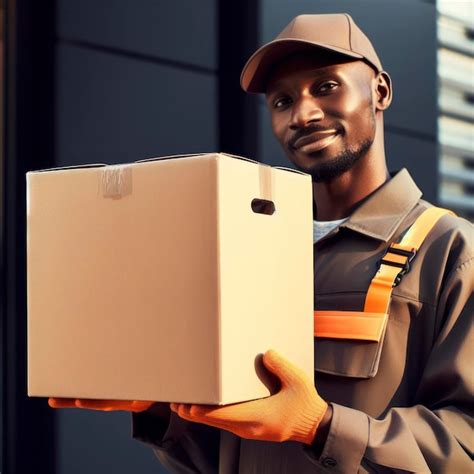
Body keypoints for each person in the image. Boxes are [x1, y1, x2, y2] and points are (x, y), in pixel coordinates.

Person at [49, 13, 473, 473]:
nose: (303, 114)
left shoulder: (449, 252)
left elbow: (466, 445)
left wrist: (321, 425)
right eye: (283, 101)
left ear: (380, 91)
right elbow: (225, 454)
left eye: (326, 86)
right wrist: (157, 412)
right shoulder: (250, 255)